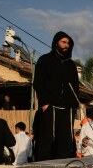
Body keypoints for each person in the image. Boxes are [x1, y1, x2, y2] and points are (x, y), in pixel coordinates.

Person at [33, 31, 80, 161]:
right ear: (56, 43)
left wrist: (73, 106)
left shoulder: (71, 65)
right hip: (50, 106)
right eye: (63, 42)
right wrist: (44, 103)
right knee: (47, 140)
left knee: (65, 142)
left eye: (68, 43)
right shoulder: (44, 60)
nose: (66, 45)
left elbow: (75, 87)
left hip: (67, 109)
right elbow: (38, 83)